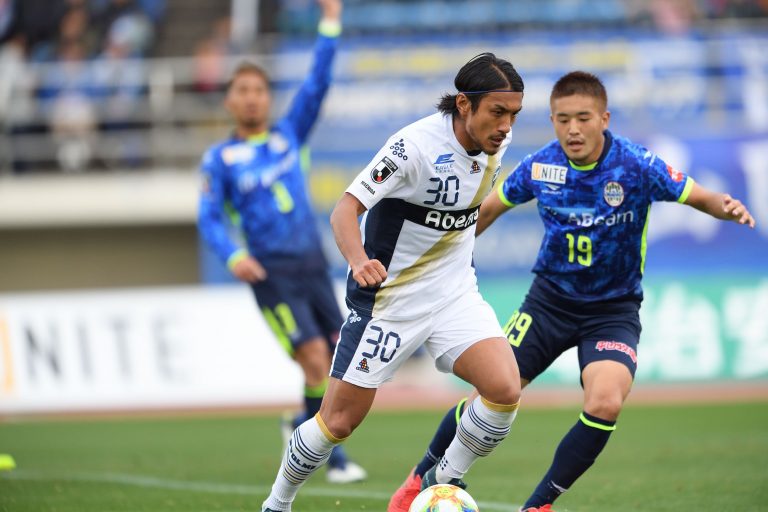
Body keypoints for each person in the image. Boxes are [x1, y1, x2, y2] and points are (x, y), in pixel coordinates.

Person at [387, 70, 756, 512]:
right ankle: (420, 477)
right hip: (548, 304)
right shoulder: (540, 166)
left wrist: (725, 206)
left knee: (606, 401)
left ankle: (538, 505)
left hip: (612, 311)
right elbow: (485, 212)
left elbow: (697, 196)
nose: (573, 129)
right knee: (491, 392)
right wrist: (439, 257)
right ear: (552, 121)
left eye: (583, 118)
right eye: (563, 120)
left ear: (604, 119)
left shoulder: (637, 165)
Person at [260, 52, 526, 512]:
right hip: (389, 304)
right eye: (497, 112)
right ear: (464, 104)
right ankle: (277, 503)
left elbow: (463, 216)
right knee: (337, 423)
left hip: (454, 294)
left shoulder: (494, 143)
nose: (506, 126)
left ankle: (442, 478)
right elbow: (344, 210)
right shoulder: (412, 148)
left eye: (514, 115)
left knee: (504, 389)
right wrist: (359, 260)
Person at [197, 0, 367, 486]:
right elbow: (209, 217)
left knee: (334, 361)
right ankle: (332, 459)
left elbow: (317, 83)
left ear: (268, 98)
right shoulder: (220, 160)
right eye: (242, 91)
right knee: (313, 359)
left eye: (259, 90)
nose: (252, 98)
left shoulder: (290, 136)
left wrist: (330, 22)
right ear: (229, 101)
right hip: (270, 272)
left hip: (311, 264)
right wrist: (233, 255)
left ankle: (299, 424)